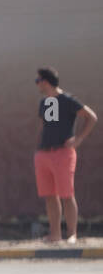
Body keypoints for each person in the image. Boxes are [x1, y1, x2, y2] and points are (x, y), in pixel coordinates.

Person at [35, 67, 96, 244]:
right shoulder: (46, 102)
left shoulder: (67, 100)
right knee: (50, 195)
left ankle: (72, 234)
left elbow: (91, 117)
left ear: (46, 81)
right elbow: (47, 125)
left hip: (63, 153)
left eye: (38, 81)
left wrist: (78, 139)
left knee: (67, 194)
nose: (37, 84)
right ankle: (55, 234)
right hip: (44, 153)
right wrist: (39, 148)